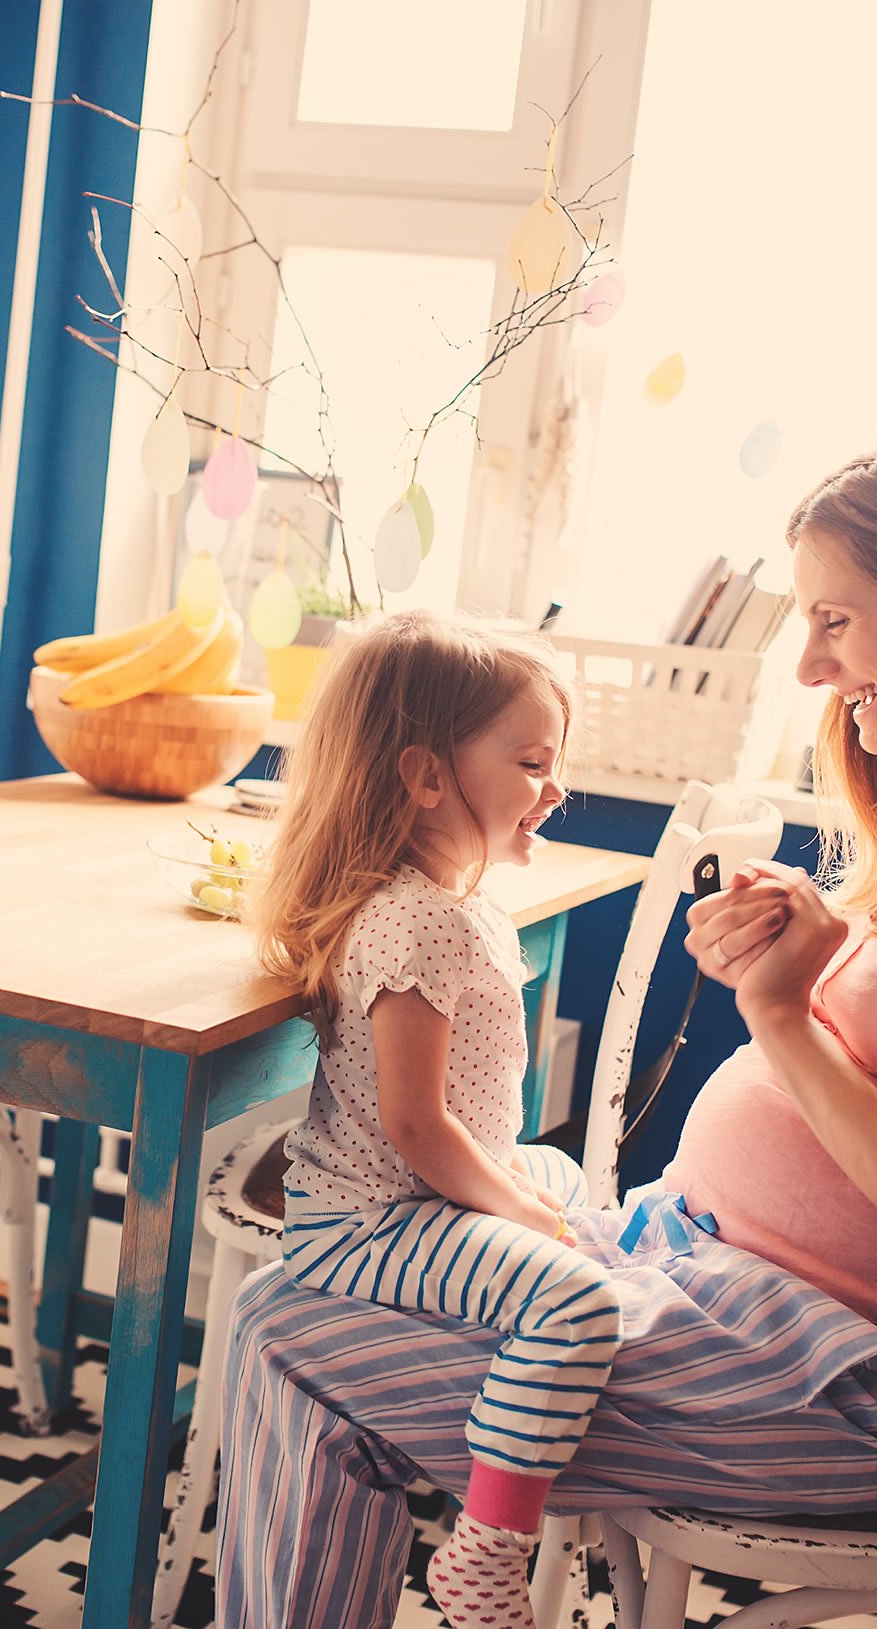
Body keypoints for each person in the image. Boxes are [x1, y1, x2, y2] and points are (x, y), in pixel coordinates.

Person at [213, 432, 877, 1629]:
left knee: (284, 1335)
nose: (808, 665)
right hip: (702, 1277)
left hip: (855, 1380)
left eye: (836, 618)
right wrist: (824, 942)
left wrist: (782, 1012)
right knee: (300, 1307)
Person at [247, 610, 621, 1628]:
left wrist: (526, 1200)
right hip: (369, 1222)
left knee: (566, 1188)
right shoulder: (421, 921)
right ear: (424, 776)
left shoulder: (453, 905)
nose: (555, 789)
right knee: (576, 1302)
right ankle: (488, 1550)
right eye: (535, 762)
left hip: (413, 1197)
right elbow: (417, 1128)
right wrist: (514, 1216)